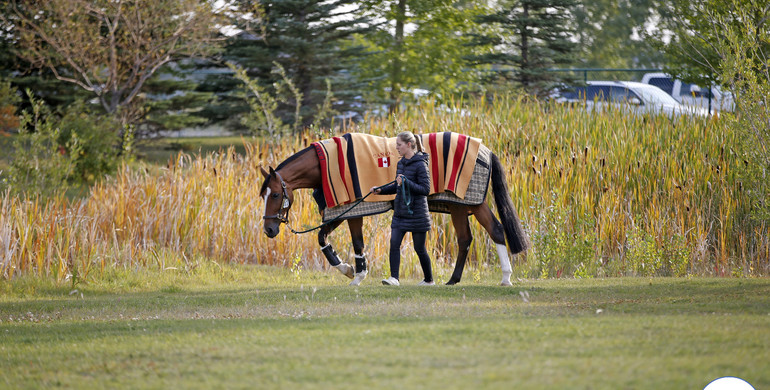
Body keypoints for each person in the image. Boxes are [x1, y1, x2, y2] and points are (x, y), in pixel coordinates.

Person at [370, 131, 434, 286]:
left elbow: (425, 190)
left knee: (419, 249)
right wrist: (381, 190)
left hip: (417, 213)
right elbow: (397, 186)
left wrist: (406, 182)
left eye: (399, 145)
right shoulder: (400, 163)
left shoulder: (420, 164)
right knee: (394, 243)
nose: (396, 147)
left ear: (409, 145)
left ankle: (429, 280)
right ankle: (394, 279)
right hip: (400, 213)